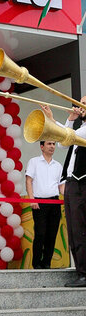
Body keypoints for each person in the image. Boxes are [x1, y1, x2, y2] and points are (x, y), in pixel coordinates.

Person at [43, 98, 86, 287]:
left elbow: (68, 136)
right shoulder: (80, 128)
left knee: (80, 229)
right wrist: (69, 119)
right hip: (72, 184)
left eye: (84, 103)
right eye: (80, 102)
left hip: (82, 184)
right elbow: (63, 144)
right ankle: (81, 271)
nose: (80, 105)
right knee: (74, 230)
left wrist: (54, 120)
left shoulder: (83, 130)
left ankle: (84, 273)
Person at [25, 137, 64, 269]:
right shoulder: (34, 162)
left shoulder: (58, 165)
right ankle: (36, 263)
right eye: (49, 144)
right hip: (39, 202)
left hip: (55, 202)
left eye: (53, 144)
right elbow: (28, 181)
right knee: (40, 233)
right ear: (42, 147)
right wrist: (32, 199)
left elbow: (61, 186)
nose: (52, 146)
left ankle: (46, 263)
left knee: (52, 234)